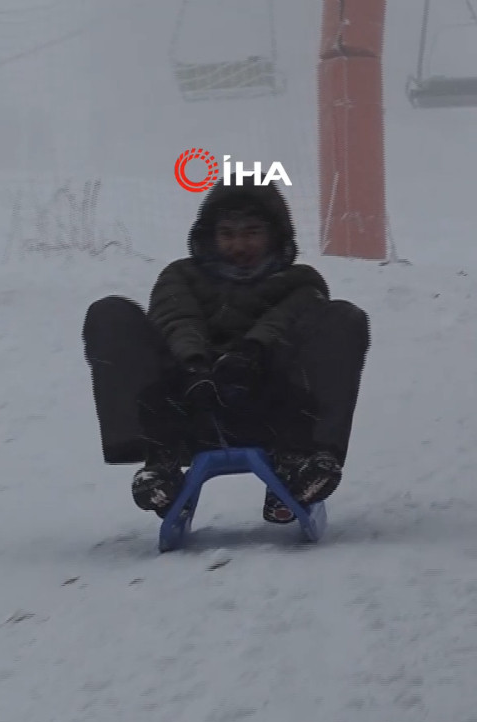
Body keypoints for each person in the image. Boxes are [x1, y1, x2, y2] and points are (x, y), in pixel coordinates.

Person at [82, 182, 370, 523]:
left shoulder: (300, 282)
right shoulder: (181, 276)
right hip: (188, 405)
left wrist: (251, 353)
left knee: (343, 319)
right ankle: (162, 464)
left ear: (274, 234)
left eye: (252, 233)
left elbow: (286, 319)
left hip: (271, 407)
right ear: (210, 235)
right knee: (110, 314)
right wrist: (194, 366)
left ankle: (300, 465)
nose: (239, 245)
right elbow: (177, 319)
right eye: (228, 233)